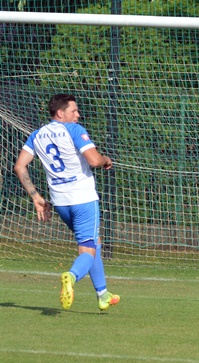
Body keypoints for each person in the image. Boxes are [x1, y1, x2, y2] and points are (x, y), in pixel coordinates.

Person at [14, 94, 120, 311]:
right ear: (60, 113)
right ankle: (71, 277)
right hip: (83, 198)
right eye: (74, 111)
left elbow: (19, 167)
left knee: (93, 241)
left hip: (60, 202)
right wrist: (106, 160)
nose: (78, 115)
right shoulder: (73, 130)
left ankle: (103, 294)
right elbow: (93, 160)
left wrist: (36, 197)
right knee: (87, 250)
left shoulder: (37, 135)